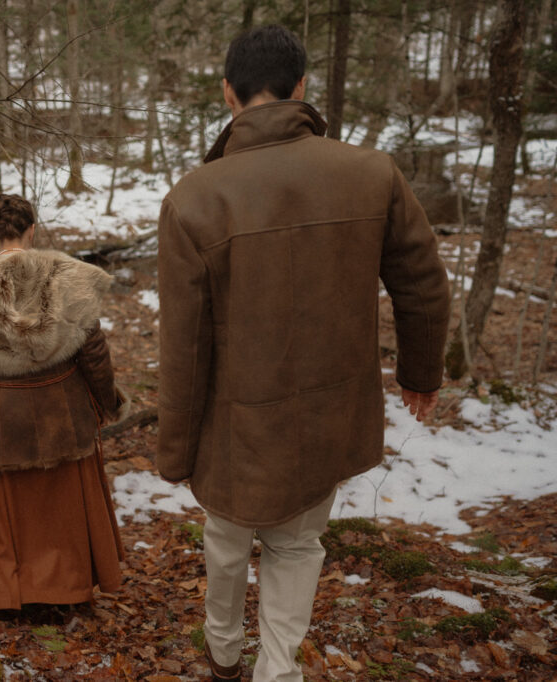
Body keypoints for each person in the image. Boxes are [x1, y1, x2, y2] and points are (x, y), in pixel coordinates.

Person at [156, 25, 450, 682]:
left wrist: (175, 451)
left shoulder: (194, 197)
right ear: (303, 86)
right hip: (327, 417)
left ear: (228, 93)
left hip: (233, 426)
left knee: (228, 543)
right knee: (298, 544)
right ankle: (275, 668)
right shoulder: (371, 172)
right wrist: (421, 374)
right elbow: (423, 280)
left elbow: (183, 346)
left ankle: (224, 650)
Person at [0, 194, 127, 612]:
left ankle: (7, 593)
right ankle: (68, 591)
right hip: (63, 415)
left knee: (8, 510)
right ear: (32, 229)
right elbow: (94, 354)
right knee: (64, 506)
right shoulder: (69, 279)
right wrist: (109, 402)